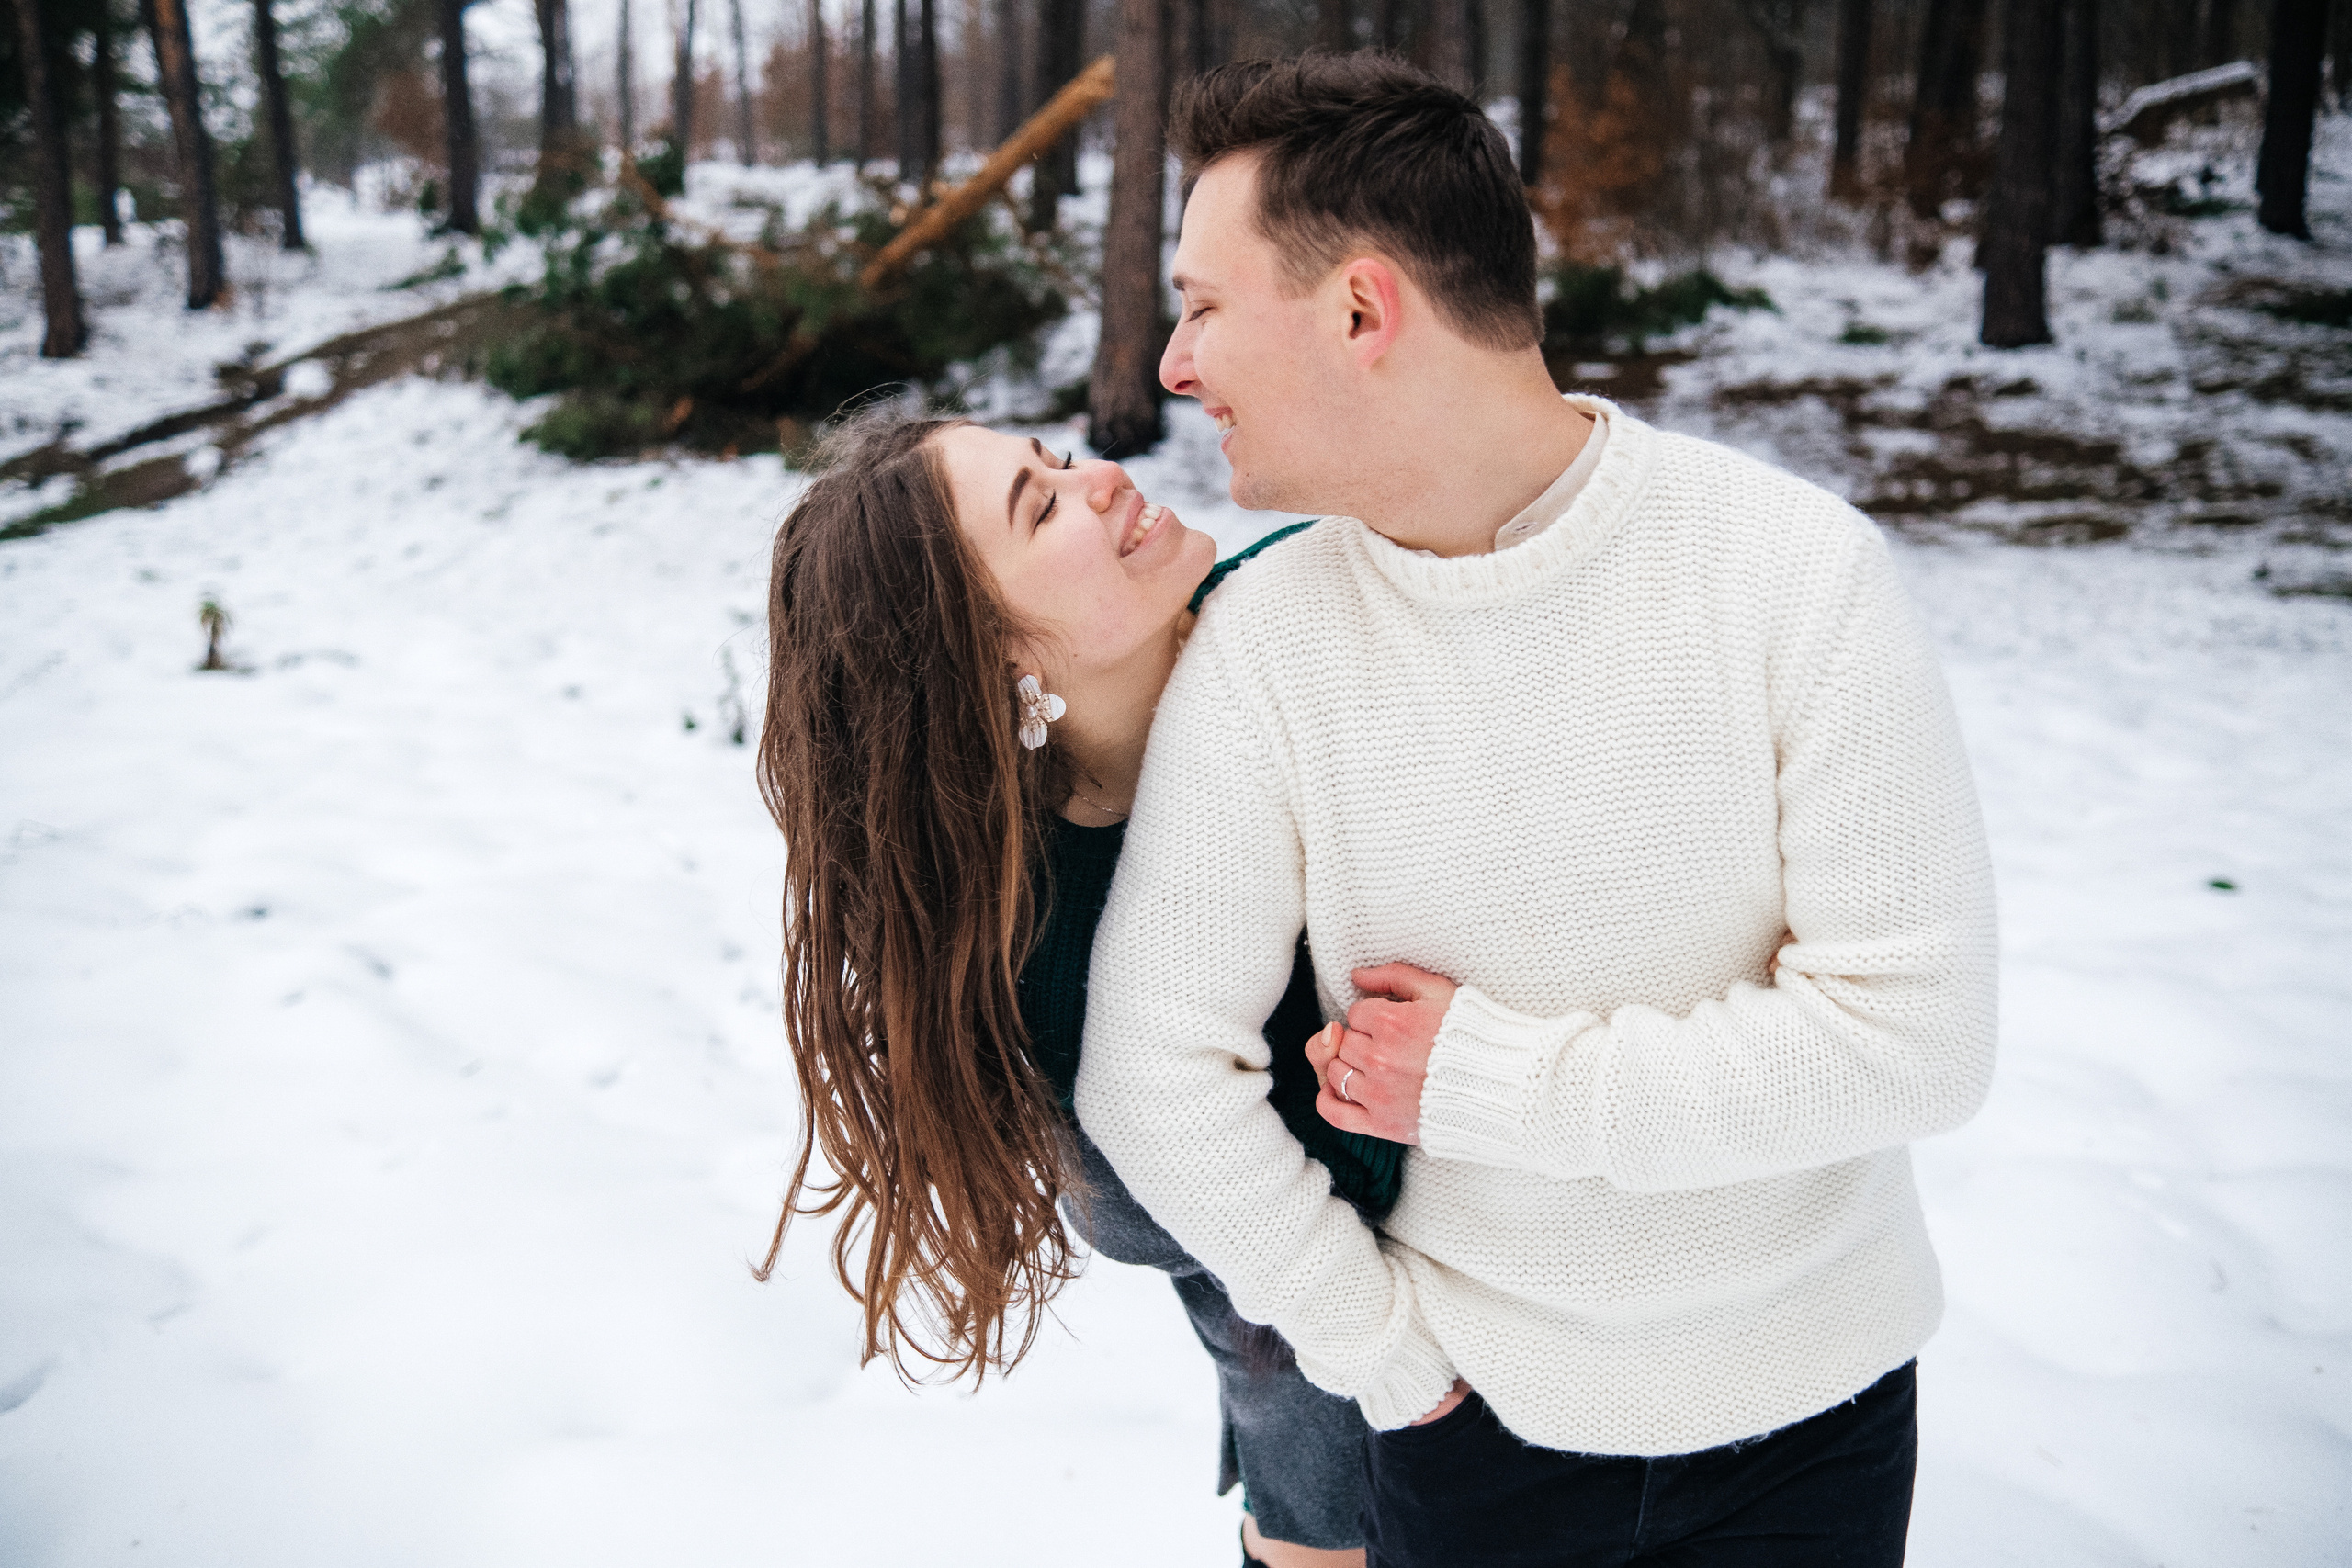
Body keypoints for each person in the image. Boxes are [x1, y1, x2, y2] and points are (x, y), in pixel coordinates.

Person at [1077, 55, 1999, 1567]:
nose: (1173, 362)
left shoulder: (1793, 573)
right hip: (1472, 1442)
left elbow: (1917, 1039)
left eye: (1203, 303)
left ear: (1362, 310)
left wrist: (1495, 1081)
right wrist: (1380, 1356)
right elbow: (1152, 1076)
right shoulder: (1269, 642)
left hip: (1815, 1422)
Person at [752, 407, 1403, 1568]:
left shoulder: (1313, 605)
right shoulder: (1057, 955)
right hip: (1355, 1481)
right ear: (994, 654)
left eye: (1053, 461)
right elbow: (1158, 1212)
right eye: (1040, 505)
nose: (1103, 477)